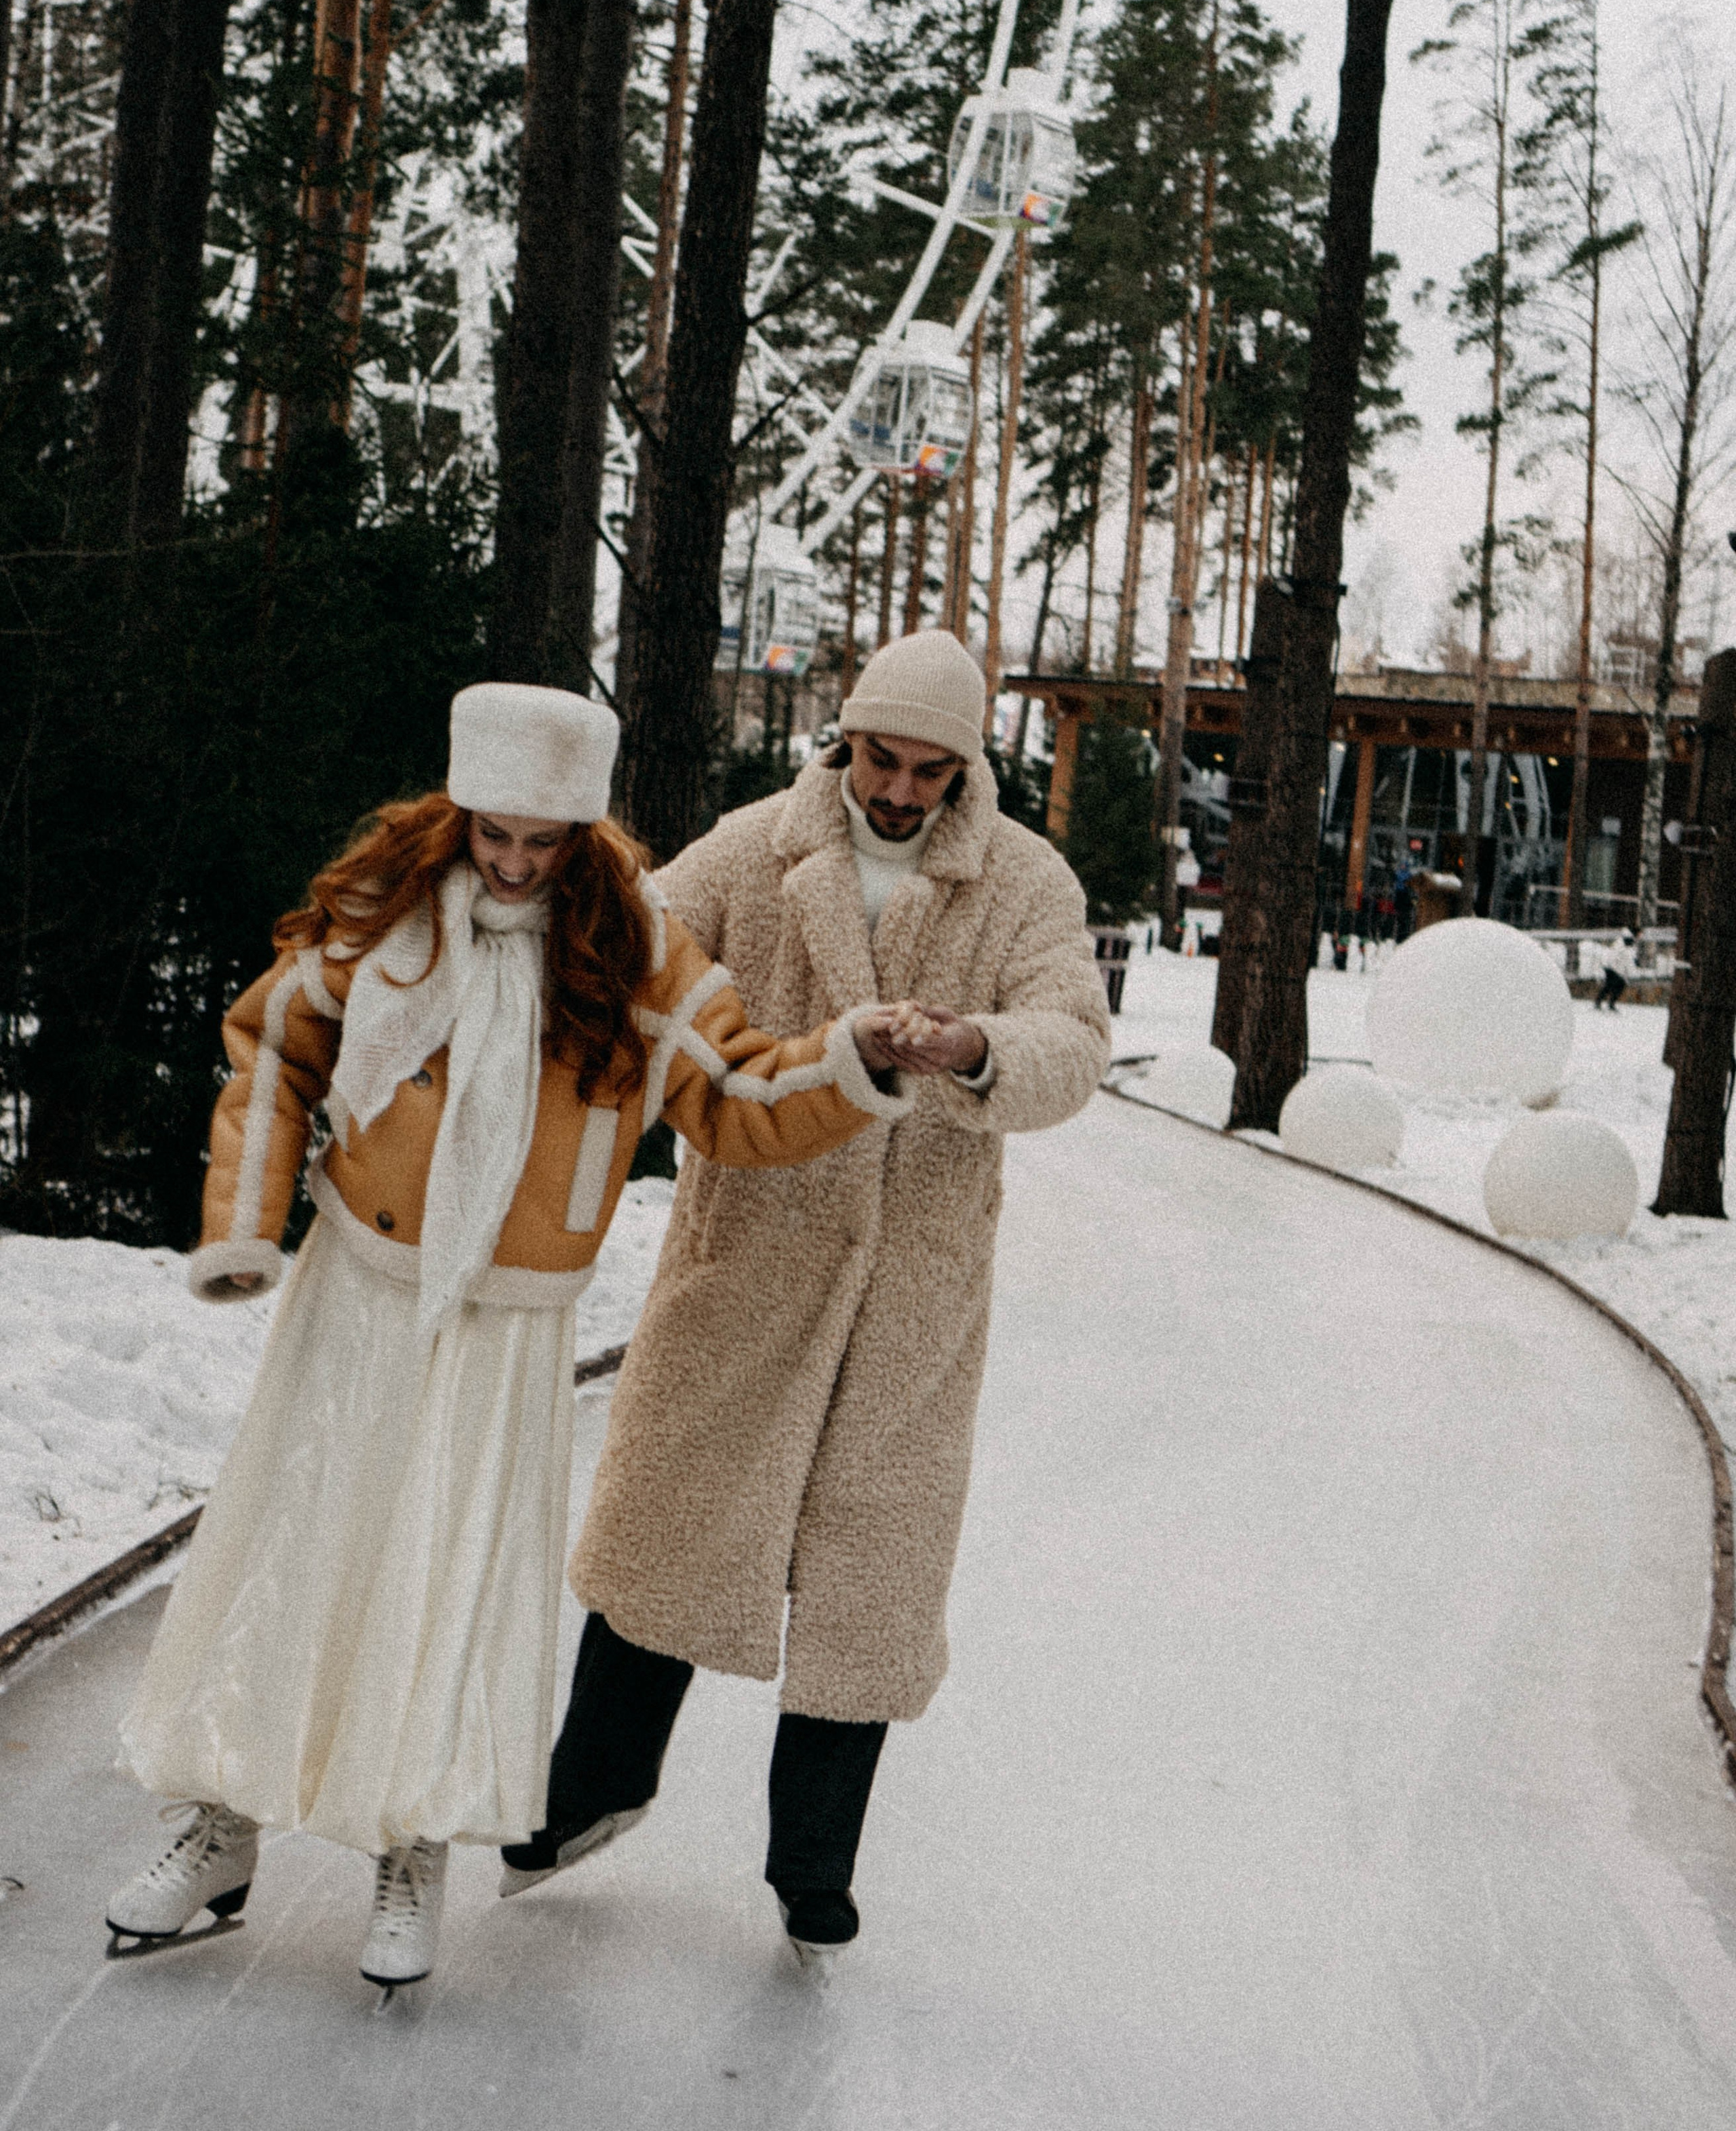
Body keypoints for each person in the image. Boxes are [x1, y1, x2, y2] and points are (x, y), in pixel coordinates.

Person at [105, 683, 930, 1993]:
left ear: (583, 838)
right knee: (298, 1541)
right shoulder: (385, 919)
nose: (515, 863)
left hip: (510, 1323)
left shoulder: (636, 952)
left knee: (458, 1573)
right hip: (362, 1288)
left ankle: (413, 1843)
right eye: (496, 834)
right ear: (459, 813)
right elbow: (273, 1047)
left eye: (545, 842)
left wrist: (856, 1057)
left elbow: (739, 1093)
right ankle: (220, 1827)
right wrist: (246, 1224)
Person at [500, 631, 1111, 1966]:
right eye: (879, 760)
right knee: (666, 1520)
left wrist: (970, 1049)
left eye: (927, 770)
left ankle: (812, 1862)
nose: (897, 791)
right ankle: (585, 1789)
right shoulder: (762, 845)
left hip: (911, 1282)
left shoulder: (1020, 883)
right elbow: (641, 942)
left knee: (866, 1578)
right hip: (752, 1246)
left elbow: (1072, 1041)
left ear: (967, 765)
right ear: (843, 740)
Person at [1596, 925, 1637, 1010]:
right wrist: (1618, 970)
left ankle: (1604, 1002)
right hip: (1612, 967)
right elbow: (1621, 957)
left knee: (1611, 985)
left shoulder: (1624, 941)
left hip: (1612, 967)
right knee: (1615, 985)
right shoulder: (1625, 942)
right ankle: (1606, 1003)